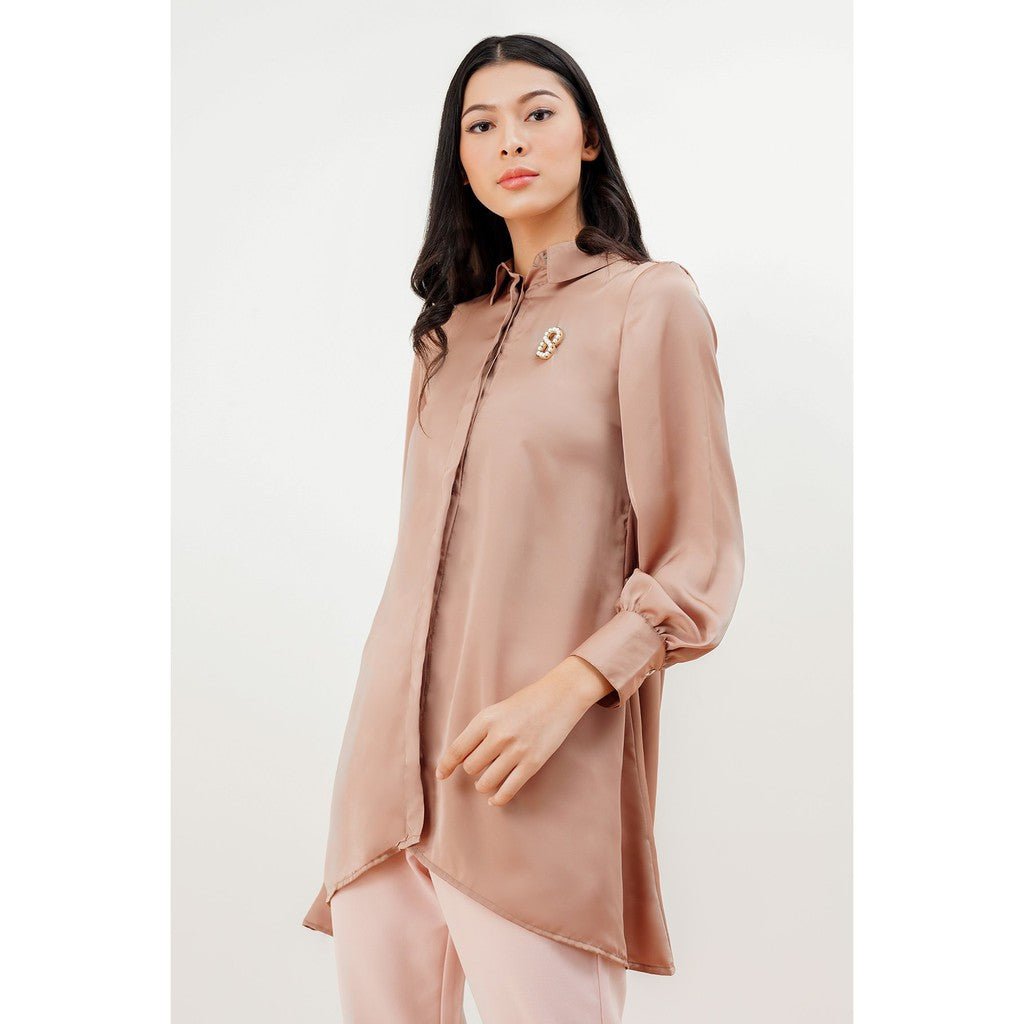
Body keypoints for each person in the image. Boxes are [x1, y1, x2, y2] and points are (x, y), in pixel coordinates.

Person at [301, 33, 745, 1024]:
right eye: (480, 124)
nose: (510, 139)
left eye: (538, 113)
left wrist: (567, 690)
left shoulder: (649, 304)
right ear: (458, 158)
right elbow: (420, 562)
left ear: (588, 137)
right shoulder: (443, 335)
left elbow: (698, 561)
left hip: (533, 773)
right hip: (384, 782)